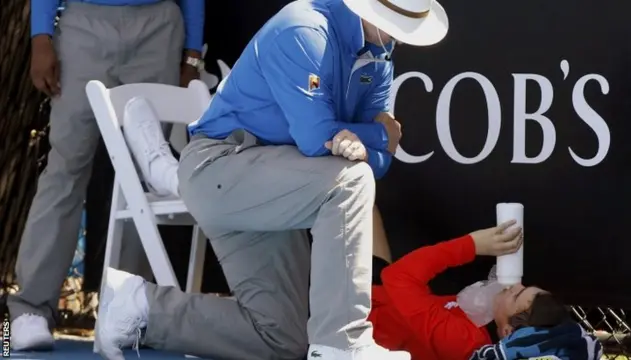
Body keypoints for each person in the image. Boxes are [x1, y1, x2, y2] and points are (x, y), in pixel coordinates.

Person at [95, 0, 449, 359]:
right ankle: (343, 342)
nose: (399, 39)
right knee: (349, 181)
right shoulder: (305, 28)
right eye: (396, 24)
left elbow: (378, 163)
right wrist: (378, 136)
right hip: (219, 168)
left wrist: (369, 143)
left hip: (268, 188)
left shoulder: (380, 52)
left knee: (284, 339)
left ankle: (139, 305)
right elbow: (318, 139)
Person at [9, 0, 204, 351]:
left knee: (139, 179)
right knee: (65, 168)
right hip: (84, 22)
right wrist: (40, 37)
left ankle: (124, 311)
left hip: (158, 26)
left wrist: (192, 55)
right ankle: (31, 309)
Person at [368, 217, 603, 360]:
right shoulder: (482, 321)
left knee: (354, 190)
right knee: (367, 201)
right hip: (376, 297)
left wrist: (470, 244)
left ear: (508, 332)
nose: (515, 285)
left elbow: (398, 277)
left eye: (517, 295)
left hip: (351, 314)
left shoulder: (463, 343)